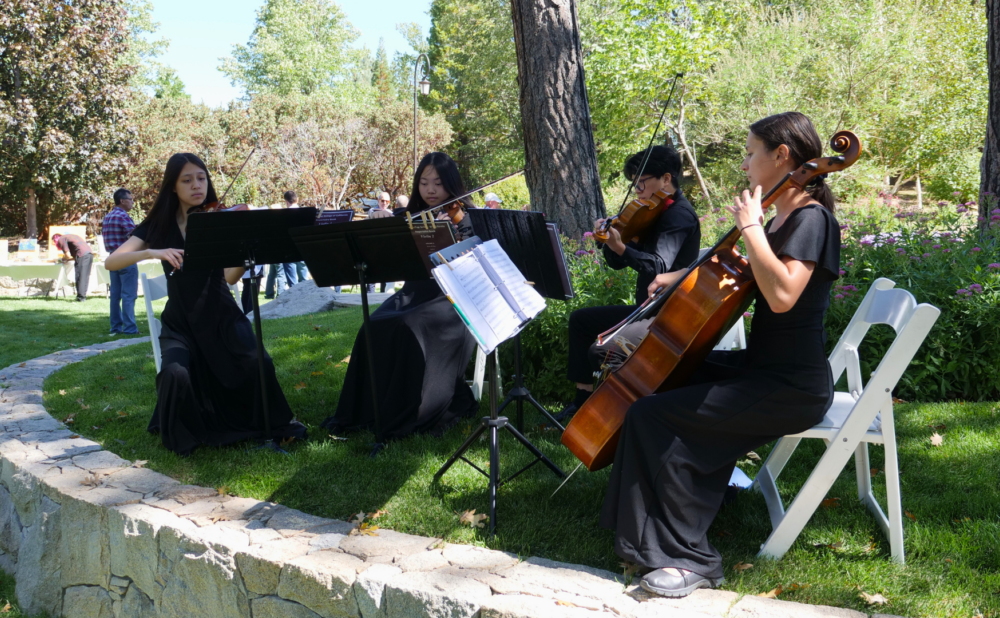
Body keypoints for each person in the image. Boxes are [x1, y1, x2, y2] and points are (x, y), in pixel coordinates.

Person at [600, 112, 841, 598]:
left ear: (782, 156)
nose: (746, 162)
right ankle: (650, 528)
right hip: (764, 370)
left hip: (789, 388)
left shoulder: (810, 217)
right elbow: (748, 275)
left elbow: (783, 295)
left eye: (752, 152)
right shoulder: (783, 215)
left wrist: (751, 229)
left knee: (654, 414)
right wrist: (684, 275)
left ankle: (693, 559)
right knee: (661, 384)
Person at [105, 152, 307, 455]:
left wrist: (248, 253)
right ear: (173, 186)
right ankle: (189, 432)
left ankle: (268, 424)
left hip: (222, 315)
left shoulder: (218, 221)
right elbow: (112, 261)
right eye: (187, 180)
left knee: (258, 362)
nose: (196, 185)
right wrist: (153, 252)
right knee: (175, 373)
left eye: (201, 178)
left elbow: (228, 278)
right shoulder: (157, 225)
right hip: (181, 323)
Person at [320, 152, 478, 440]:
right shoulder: (408, 217)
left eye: (439, 184)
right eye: (424, 183)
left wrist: (456, 235)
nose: (430, 190)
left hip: (452, 299)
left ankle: (413, 408)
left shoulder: (467, 217)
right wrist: (380, 223)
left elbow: (475, 265)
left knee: (409, 327)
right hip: (413, 293)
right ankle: (370, 409)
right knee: (372, 326)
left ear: (452, 184)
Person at [558, 145, 701, 418]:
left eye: (641, 184)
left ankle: (619, 409)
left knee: (602, 349)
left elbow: (658, 267)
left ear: (666, 179)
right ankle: (581, 402)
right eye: (634, 185)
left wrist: (623, 246)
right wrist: (616, 243)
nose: (637, 192)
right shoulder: (652, 213)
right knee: (580, 321)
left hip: (667, 315)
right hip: (646, 309)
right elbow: (618, 263)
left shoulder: (678, 215)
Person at [101, 189, 140, 332]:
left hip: (112, 258)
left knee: (115, 296)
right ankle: (130, 328)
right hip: (126, 257)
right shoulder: (123, 216)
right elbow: (134, 238)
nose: (132, 202)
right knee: (129, 295)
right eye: (130, 199)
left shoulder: (108, 216)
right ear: (122, 201)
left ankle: (115, 327)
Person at [52, 232, 94, 302]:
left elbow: (67, 255)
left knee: (80, 276)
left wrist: (62, 259)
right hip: (89, 254)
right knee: (84, 276)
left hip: (82, 255)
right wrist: (68, 259)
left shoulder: (61, 239)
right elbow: (74, 256)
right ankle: (82, 296)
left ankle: (81, 298)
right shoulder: (70, 236)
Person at [284, 190, 309, 284]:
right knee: (304, 280)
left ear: (286, 201)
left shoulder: (284, 214)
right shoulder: (305, 213)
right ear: (297, 200)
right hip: (302, 248)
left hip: (289, 249)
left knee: (292, 282)